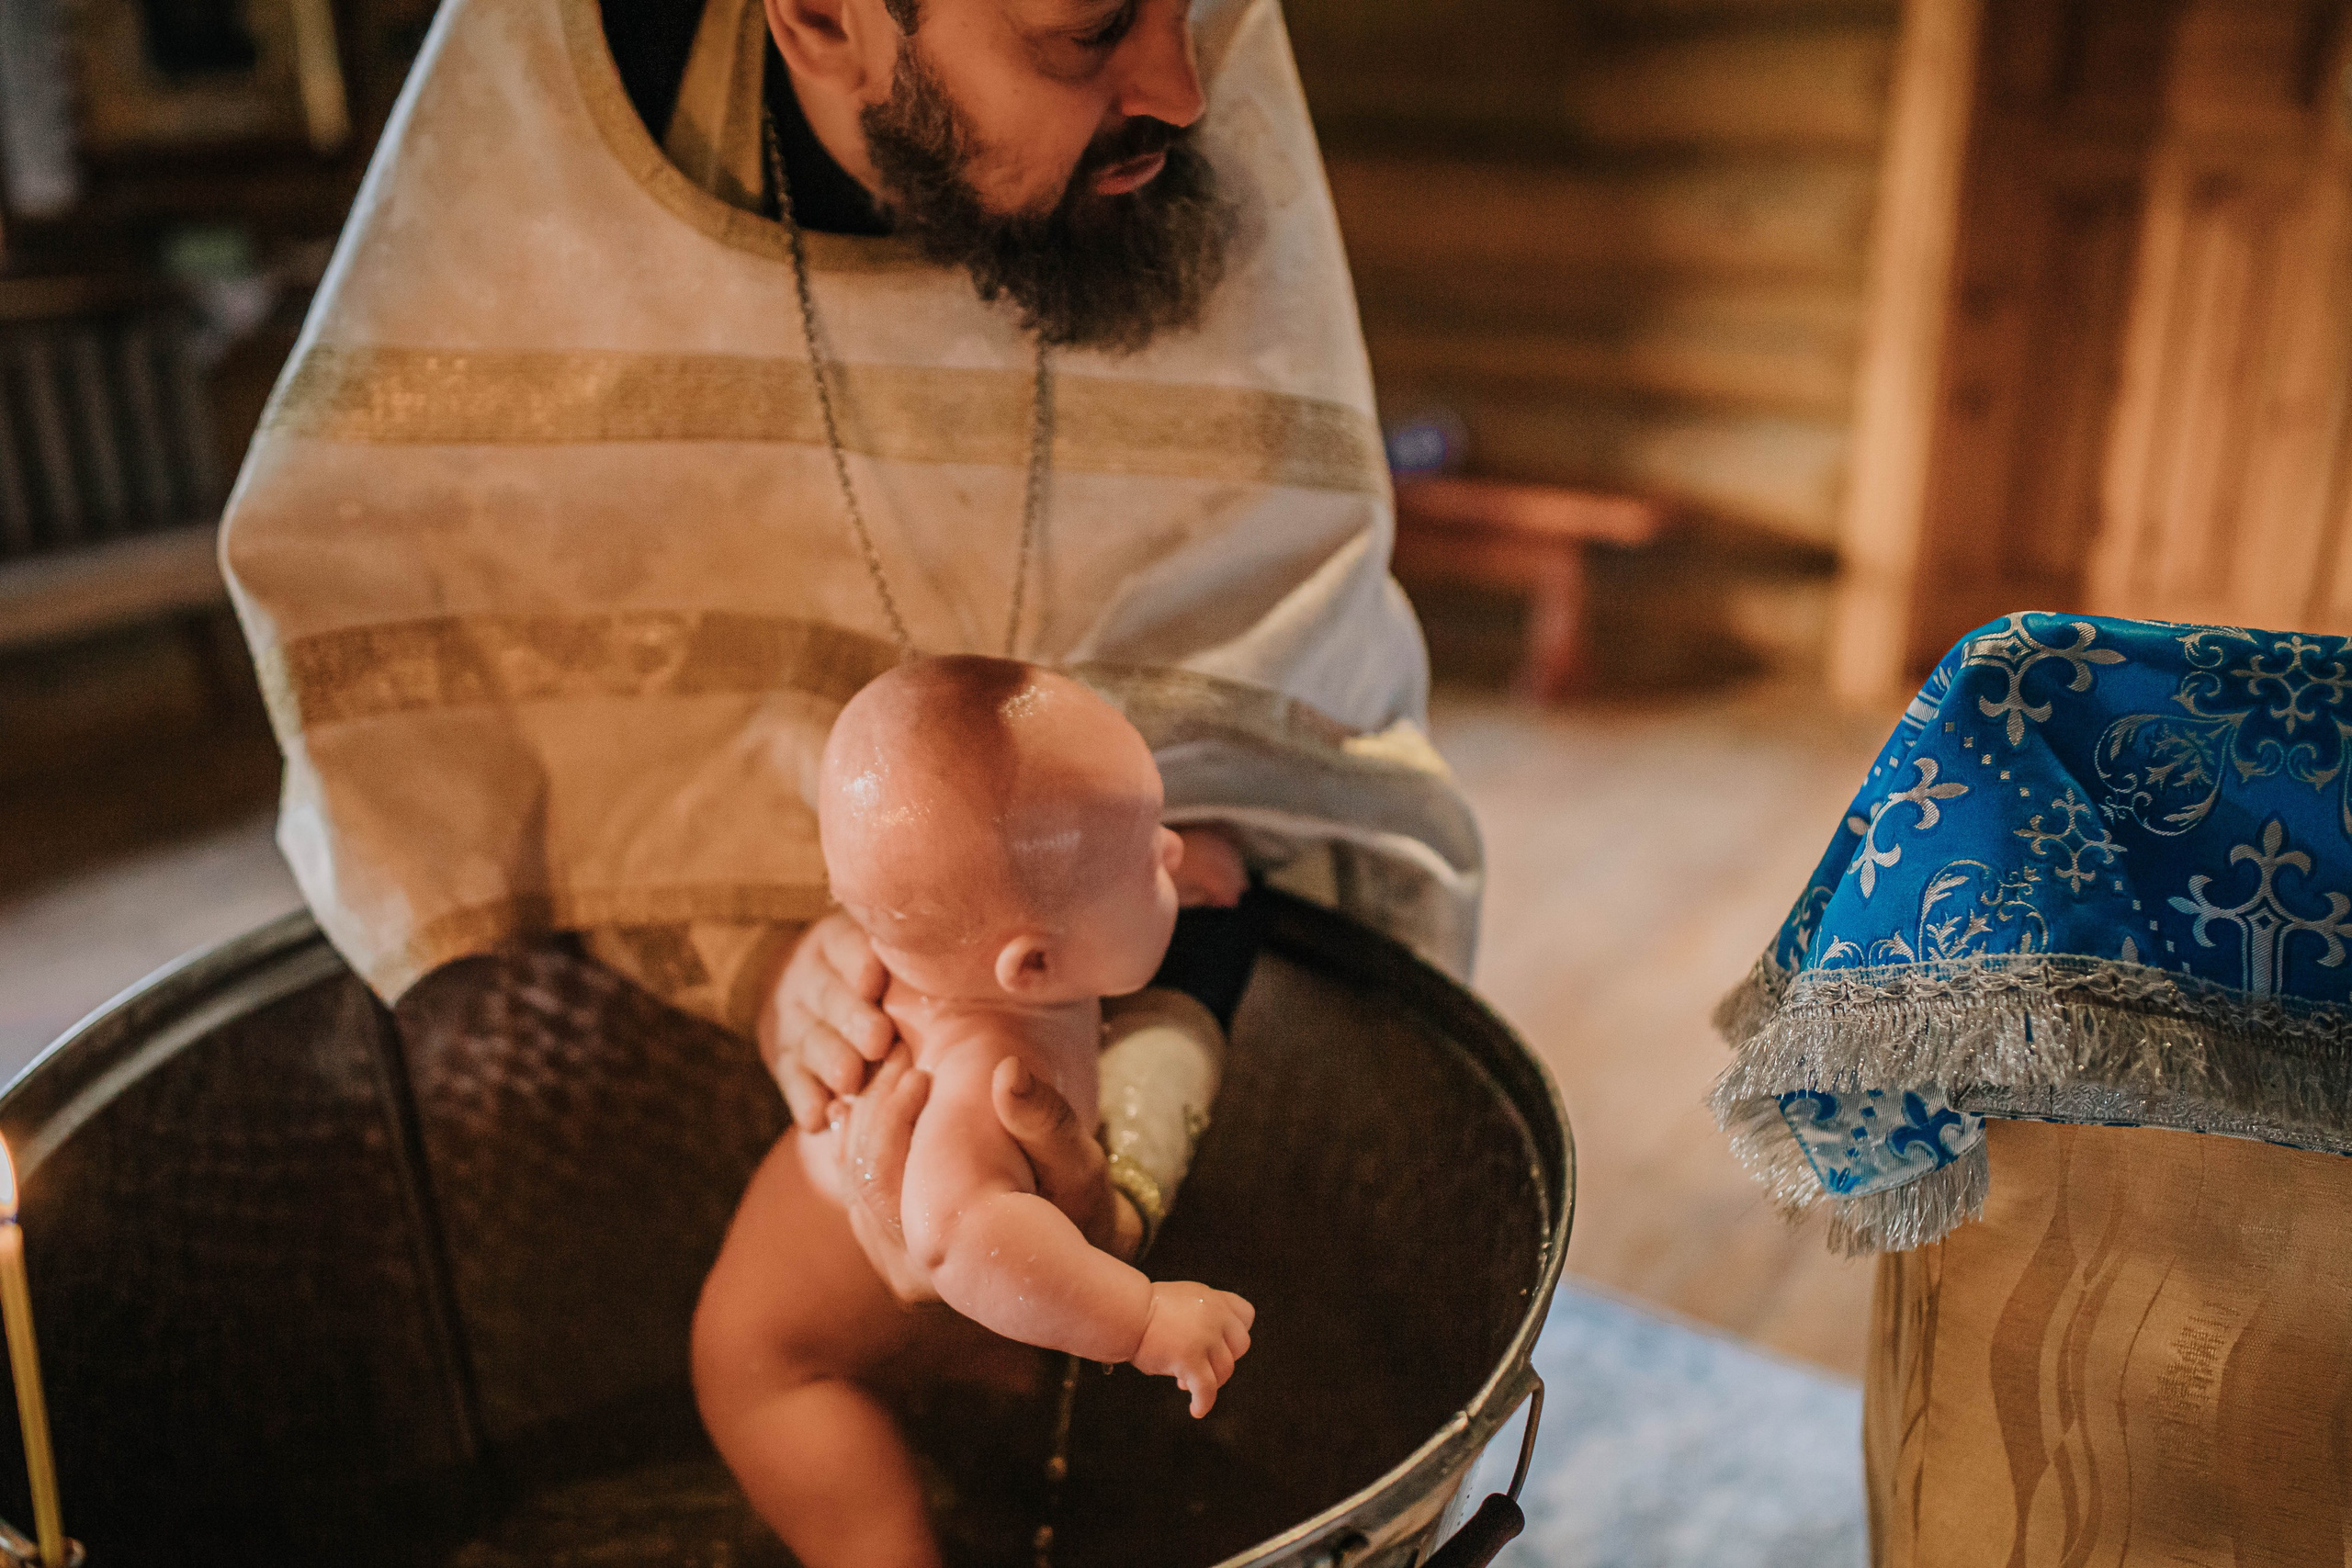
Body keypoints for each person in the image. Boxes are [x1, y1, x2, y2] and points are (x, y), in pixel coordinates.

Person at [220, 0, 1483, 1309]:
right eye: (1087, 31)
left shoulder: (1169, 79)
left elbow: (1273, 688)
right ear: (823, 18)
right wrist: (771, 964)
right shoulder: (577, 94)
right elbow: (479, 687)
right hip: (698, 1135)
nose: (1184, 84)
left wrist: (1149, 1040)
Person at [695, 657, 1252, 1566]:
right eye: (1148, 852)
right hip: (785, 1362)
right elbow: (959, 1235)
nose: (1173, 851)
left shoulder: (987, 948)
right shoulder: (979, 1070)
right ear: (1032, 965)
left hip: (890, 1315)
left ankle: (948, 1368)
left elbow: (1062, 900)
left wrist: (1145, 879)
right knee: (877, 1542)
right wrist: (1142, 1321)